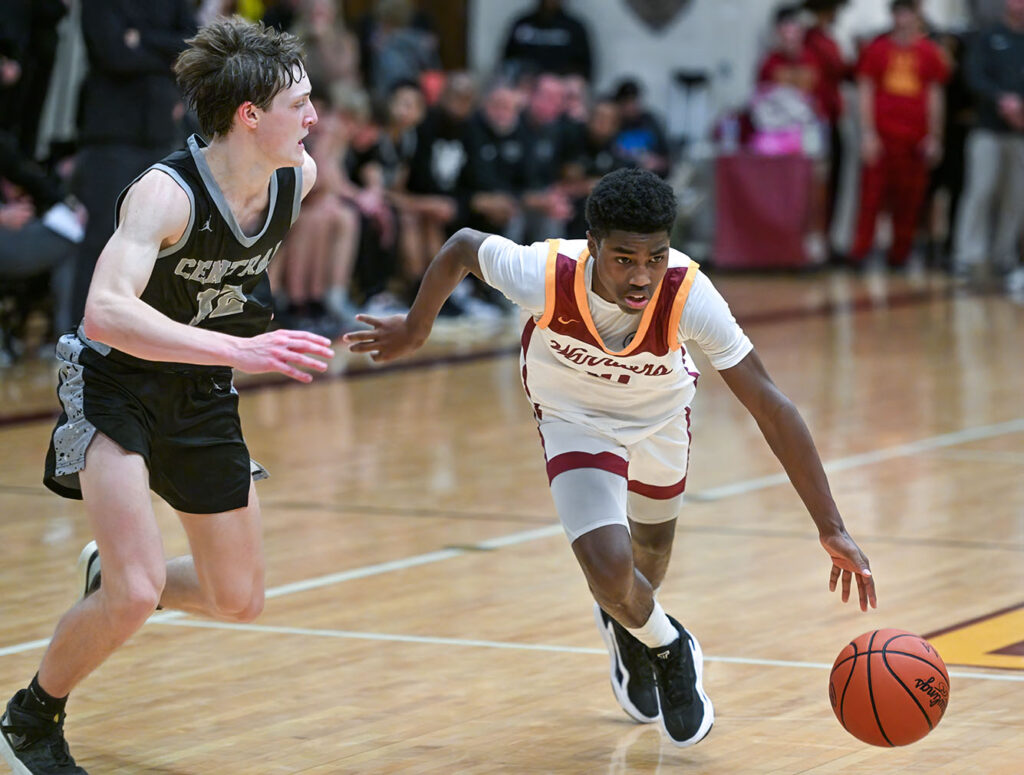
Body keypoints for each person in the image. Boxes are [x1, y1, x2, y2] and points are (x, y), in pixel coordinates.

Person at [343, 167, 877, 747]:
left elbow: (771, 406)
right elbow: (463, 246)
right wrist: (419, 327)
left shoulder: (689, 294)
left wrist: (832, 526)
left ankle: (629, 628)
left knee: (643, 569)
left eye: (655, 257)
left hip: (660, 423)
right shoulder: (545, 273)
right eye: (624, 259)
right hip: (576, 419)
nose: (642, 275)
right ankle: (672, 647)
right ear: (592, 245)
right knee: (608, 566)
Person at [0, 17, 333, 775]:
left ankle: (111, 579)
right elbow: (104, 311)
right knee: (138, 586)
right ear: (250, 116)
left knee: (238, 597)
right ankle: (29, 720)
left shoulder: (297, 178)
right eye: (300, 103)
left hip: (202, 389)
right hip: (116, 383)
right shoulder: (164, 194)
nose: (314, 116)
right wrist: (238, 347)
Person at [848, 0, 948, 269]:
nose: (903, 20)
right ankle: (860, 252)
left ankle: (899, 255)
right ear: (893, 16)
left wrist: (934, 136)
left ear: (917, 17)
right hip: (882, 139)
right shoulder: (877, 50)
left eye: (909, 14)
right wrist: (868, 134)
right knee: (870, 199)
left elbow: (935, 96)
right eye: (899, 13)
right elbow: (865, 92)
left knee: (909, 202)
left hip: (914, 141)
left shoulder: (929, 53)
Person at [951, 0, 1024, 283]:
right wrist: (1002, 101)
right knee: (980, 191)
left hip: (1019, 135)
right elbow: (974, 76)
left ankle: (1003, 256)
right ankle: (966, 256)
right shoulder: (988, 37)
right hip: (988, 130)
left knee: (1016, 198)